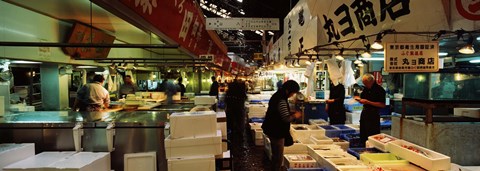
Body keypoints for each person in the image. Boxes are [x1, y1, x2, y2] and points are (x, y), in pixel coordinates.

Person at [262, 80, 302, 171]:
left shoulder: (277, 96)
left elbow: (279, 112)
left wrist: (290, 112)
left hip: (272, 129)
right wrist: (295, 115)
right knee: (278, 158)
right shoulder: (281, 100)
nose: (292, 95)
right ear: (288, 91)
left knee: (275, 155)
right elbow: (286, 119)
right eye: (292, 93)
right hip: (277, 131)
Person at [357, 74, 386, 146]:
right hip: (364, 113)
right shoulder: (366, 89)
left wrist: (368, 102)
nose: (364, 85)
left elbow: (382, 104)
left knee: (372, 135)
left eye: (365, 83)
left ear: (371, 81)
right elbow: (363, 98)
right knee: (363, 134)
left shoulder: (380, 90)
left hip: (373, 115)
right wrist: (360, 100)